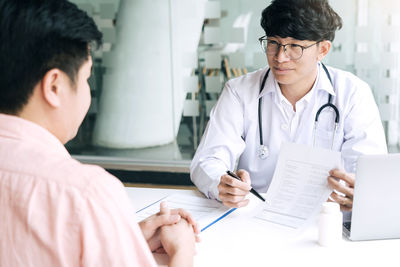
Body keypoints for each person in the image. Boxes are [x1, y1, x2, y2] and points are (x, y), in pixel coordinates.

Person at [0, 1, 198, 266]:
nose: (88, 94)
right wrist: (183, 251)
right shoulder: (83, 193)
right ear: (54, 86)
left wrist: (115, 237)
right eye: (85, 79)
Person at [190, 0, 387, 212]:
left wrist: (361, 192)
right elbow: (208, 160)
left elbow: (370, 172)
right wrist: (222, 184)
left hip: (327, 218)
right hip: (256, 216)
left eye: (294, 46)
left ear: (323, 49)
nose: (280, 57)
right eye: (273, 43)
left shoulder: (353, 93)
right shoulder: (240, 91)